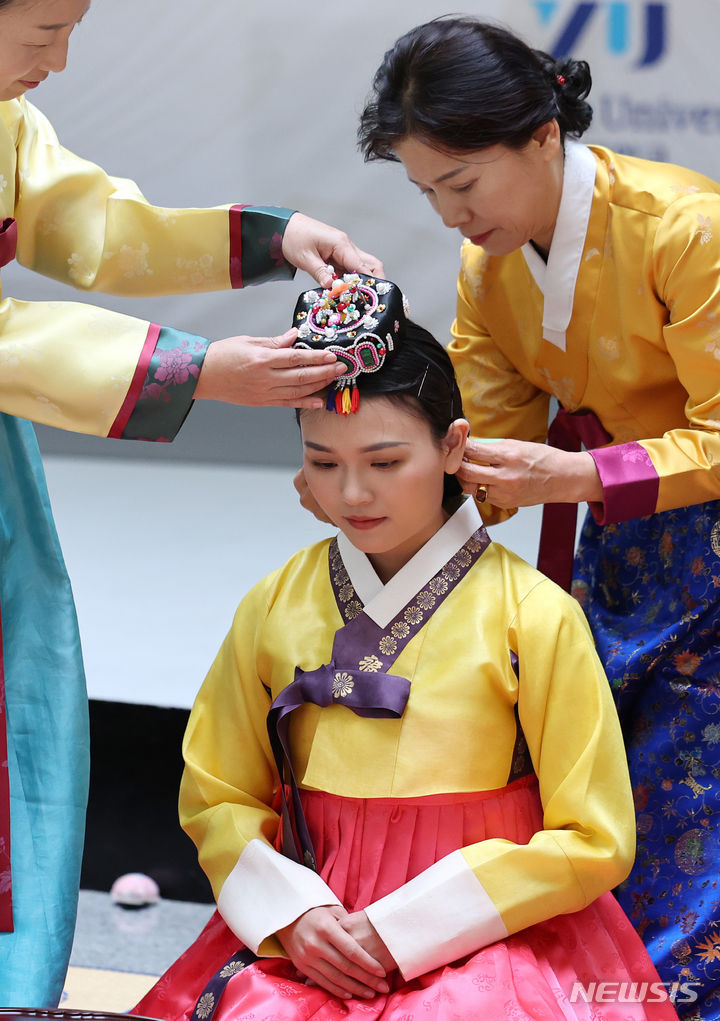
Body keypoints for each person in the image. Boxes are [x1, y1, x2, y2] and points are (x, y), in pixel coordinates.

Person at [134, 274, 682, 1021]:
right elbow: (217, 793)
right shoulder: (273, 604)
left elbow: (594, 834)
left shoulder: (535, 615)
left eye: (385, 462)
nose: (353, 493)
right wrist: (292, 914)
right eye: (323, 462)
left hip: (488, 931)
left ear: (454, 444)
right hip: (317, 926)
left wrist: (411, 927)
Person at [0, 0, 385, 1006]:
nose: (61, 58)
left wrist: (277, 237)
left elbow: (102, 231)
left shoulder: (8, 118)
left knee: (23, 704)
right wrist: (194, 369)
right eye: (43, 30)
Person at [355, 15, 720, 1020]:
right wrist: (386, 474)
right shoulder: (492, 266)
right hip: (614, 549)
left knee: (690, 806)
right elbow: (491, 454)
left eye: (462, 184)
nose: (447, 217)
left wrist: (576, 473)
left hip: (707, 548)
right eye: (428, 191)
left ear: (543, 135)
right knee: (600, 798)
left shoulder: (687, 229)